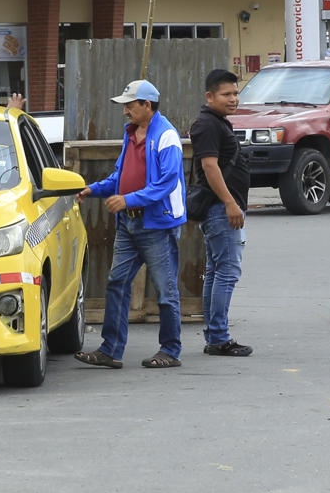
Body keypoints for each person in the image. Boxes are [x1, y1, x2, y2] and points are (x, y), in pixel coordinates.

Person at [75, 79, 186, 370]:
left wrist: (128, 200)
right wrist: (94, 189)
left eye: (130, 105)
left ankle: (170, 350)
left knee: (165, 289)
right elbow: (119, 177)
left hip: (156, 225)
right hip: (129, 223)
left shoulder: (166, 137)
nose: (125, 111)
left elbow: (166, 183)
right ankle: (110, 350)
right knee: (117, 283)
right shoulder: (132, 134)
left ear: (146, 106)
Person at [190, 68, 252, 357]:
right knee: (226, 272)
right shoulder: (208, 125)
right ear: (209, 96)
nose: (233, 99)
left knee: (216, 272)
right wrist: (230, 203)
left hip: (221, 209)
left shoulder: (217, 122)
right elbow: (209, 167)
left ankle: (216, 336)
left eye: (236, 93)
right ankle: (218, 338)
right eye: (226, 94)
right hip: (220, 210)